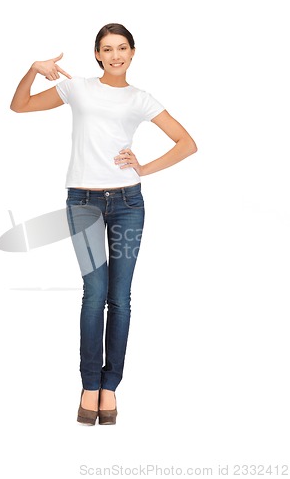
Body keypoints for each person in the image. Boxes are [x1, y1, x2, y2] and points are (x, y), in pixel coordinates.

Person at [10, 23, 197, 425]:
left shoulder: (141, 99)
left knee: (120, 297)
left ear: (132, 53)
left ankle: (111, 386)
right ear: (97, 54)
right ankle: (89, 384)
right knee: (94, 292)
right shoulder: (77, 89)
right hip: (83, 202)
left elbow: (187, 143)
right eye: (107, 48)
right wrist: (32, 69)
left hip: (128, 203)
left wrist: (143, 168)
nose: (115, 55)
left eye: (122, 48)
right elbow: (20, 106)